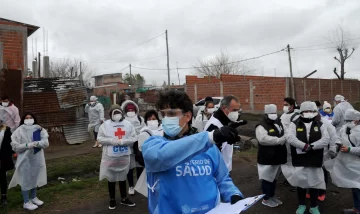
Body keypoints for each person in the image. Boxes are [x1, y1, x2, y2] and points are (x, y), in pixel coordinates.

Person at [142, 90, 244, 214]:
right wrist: (209, 137)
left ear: (188, 116)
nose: (166, 119)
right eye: (163, 115)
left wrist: (233, 193)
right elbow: (163, 155)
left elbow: (222, 178)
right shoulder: (153, 144)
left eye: (171, 113)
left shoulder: (208, 147)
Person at [282, 101, 329, 214]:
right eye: (306, 111)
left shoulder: (320, 124)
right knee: (301, 183)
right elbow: (290, 137)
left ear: (315, 112)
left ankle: (314, 206)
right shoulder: (295, 123)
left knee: (314, 183)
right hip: (300, 159)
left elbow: (326, 138)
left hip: (315, 158)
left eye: (311, 111)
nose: (309, 113)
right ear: (301, 112)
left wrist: (312, 146)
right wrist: (303, 146)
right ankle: (301, 205)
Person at [97, 104, 136, 210]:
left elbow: (134, 137)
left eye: (119, 112)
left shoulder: (128, 124)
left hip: (123, 156)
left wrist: (123, 141)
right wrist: (111, 141)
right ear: (111, 114)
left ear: (122, 113)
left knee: (123, 177)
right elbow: (99, 138)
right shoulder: (105, 125)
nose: (117, 114)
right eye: (115, 112)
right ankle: (112, 199)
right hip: (110, 157)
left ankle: (124, 198)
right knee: (111, 178)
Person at [9, 113, 49, 211]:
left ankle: (34, 197)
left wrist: (36, 143)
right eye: (26, 118)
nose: (29, 119)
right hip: (24, 160)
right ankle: (26, 201)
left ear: (34, 119)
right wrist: (28, 145)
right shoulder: (19, 131)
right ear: (23, 120)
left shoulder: (40, 129)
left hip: (37, 158)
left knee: (35, 177)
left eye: (30, 118)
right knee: (25, 180)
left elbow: (45, 143)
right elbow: (15, 147)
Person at [325, 109, 360, 214]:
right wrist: (338, 143)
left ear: (357, 120)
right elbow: (339, 138)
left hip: (357, 163)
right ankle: (356, 208)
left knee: (358, 187)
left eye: (350, 120)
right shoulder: (344, 128)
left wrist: (349, 149)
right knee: (353, 187)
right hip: (348, 163)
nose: (347, 122)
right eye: (346, 120)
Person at [255, 104, 287, 208]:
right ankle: (265, 198)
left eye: (274, 113)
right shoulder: (261, 125)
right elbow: (263, 139)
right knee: (266, 179)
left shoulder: (278, 122)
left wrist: (285, 137)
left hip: (278, 156)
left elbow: (285, 132)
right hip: (267, 157)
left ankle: (272, 196)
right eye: (271, 113)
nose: (273, 115)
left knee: (274, 178)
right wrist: (278, 140)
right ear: (266, 113)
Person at [204, 95, 245, 172]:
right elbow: (210, 154)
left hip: (225, 170)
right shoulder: (214, 125)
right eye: (234, 110)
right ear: (223, 108)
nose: (236, 113)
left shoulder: (224, 121)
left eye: (238, 110)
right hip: (217, 172)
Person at [134, 110, 163, 197]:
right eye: (149, 119)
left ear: (158, 119)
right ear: (146, 121)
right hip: (153, 163)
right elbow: (142, 149)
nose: (152, 121)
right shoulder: (144, 132)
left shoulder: (164, 129)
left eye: (154, 119)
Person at [121, 100, 145, 195]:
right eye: (128, 109)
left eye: (132, 109)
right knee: (129, 167)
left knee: (139, 166)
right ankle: (131, 186)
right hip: (128, 147)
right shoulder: (123, 121)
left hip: (138, 146)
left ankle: (139, 184)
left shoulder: (140, 119)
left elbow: (144, 130)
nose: (130, 111)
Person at [0, 120, 14, 205]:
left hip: (2, 158)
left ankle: (3, 197)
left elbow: (10, 143)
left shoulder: (6, 129)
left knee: (2, 178)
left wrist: (12, 153)